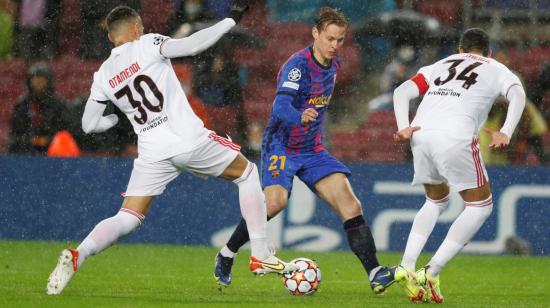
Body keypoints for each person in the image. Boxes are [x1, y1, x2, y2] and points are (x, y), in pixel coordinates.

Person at [46, 3, 299, 295]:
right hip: (187, 139)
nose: (142, 29)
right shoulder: (148, 43)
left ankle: (79, 255)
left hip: (153, 152)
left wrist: (114, 118)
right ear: (135, 28)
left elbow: (89, 125)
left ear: (110, 38)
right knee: (247, 173)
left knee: (127, 217)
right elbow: (192, 45)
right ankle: (260, 255)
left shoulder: (102, 75)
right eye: (139, 26)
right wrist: (229, 21)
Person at [213, 7, 397, 294]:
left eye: (340, 40)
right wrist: (300, 116)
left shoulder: (334, 65)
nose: (335, 45)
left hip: (312, 150)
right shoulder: (297, 66)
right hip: (281, 147)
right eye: (330, 39)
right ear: (315, 34)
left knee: (352, 206)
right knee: (274, 203)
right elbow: (280, 106)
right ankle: (227, 253)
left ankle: (375, 272)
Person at [392, 28, 526, 303]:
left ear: (459, 50)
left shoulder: (440, 64)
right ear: (488, 52)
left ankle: (406, 264)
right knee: (481, 206)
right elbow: (518, 94)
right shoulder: (497, 67)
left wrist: (403, 127)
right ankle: (431, 271)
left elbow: (402, 91)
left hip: (421, 133)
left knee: (436, 200)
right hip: (455, 135)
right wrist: (506, 130)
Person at [7, 63, 72, 155]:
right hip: (25, 150)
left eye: (41, 78)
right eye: (35, 78)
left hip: (54, 150)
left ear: (48, 81)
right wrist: (30, 140)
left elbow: (65, 130)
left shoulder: (58, 104)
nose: (38, 82)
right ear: (30, 81)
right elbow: (15, 132)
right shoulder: (22, 104)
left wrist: (48, 139)